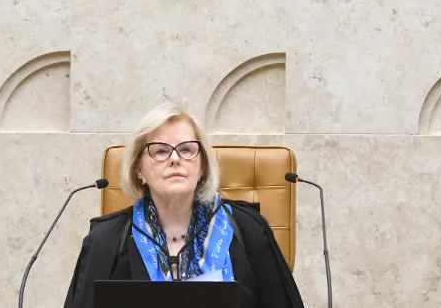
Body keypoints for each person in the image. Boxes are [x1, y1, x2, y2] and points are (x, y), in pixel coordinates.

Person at [64, 102, 305, 308]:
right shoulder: (105, 240)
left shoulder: (248, 229)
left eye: (187, 149)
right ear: (139, 170)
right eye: (159, 151)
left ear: (202, 167)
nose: (175, 159)